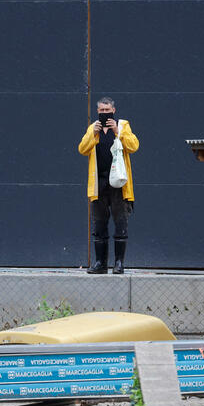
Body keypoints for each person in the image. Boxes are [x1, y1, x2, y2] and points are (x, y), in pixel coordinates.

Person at [78, 97, 139, 274]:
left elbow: (134, 146)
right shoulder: (93, 128)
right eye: (102, 111)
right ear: (97, 112)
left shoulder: (122, 125)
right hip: (99, 184)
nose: (105, 113)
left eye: (108, 110)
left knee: (120, 223)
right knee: (99, 225)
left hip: (119, 183)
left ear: (113, 109)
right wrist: (93, 134)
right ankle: (100, 264)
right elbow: (82, 149)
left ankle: (119, 264)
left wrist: (117, 131)